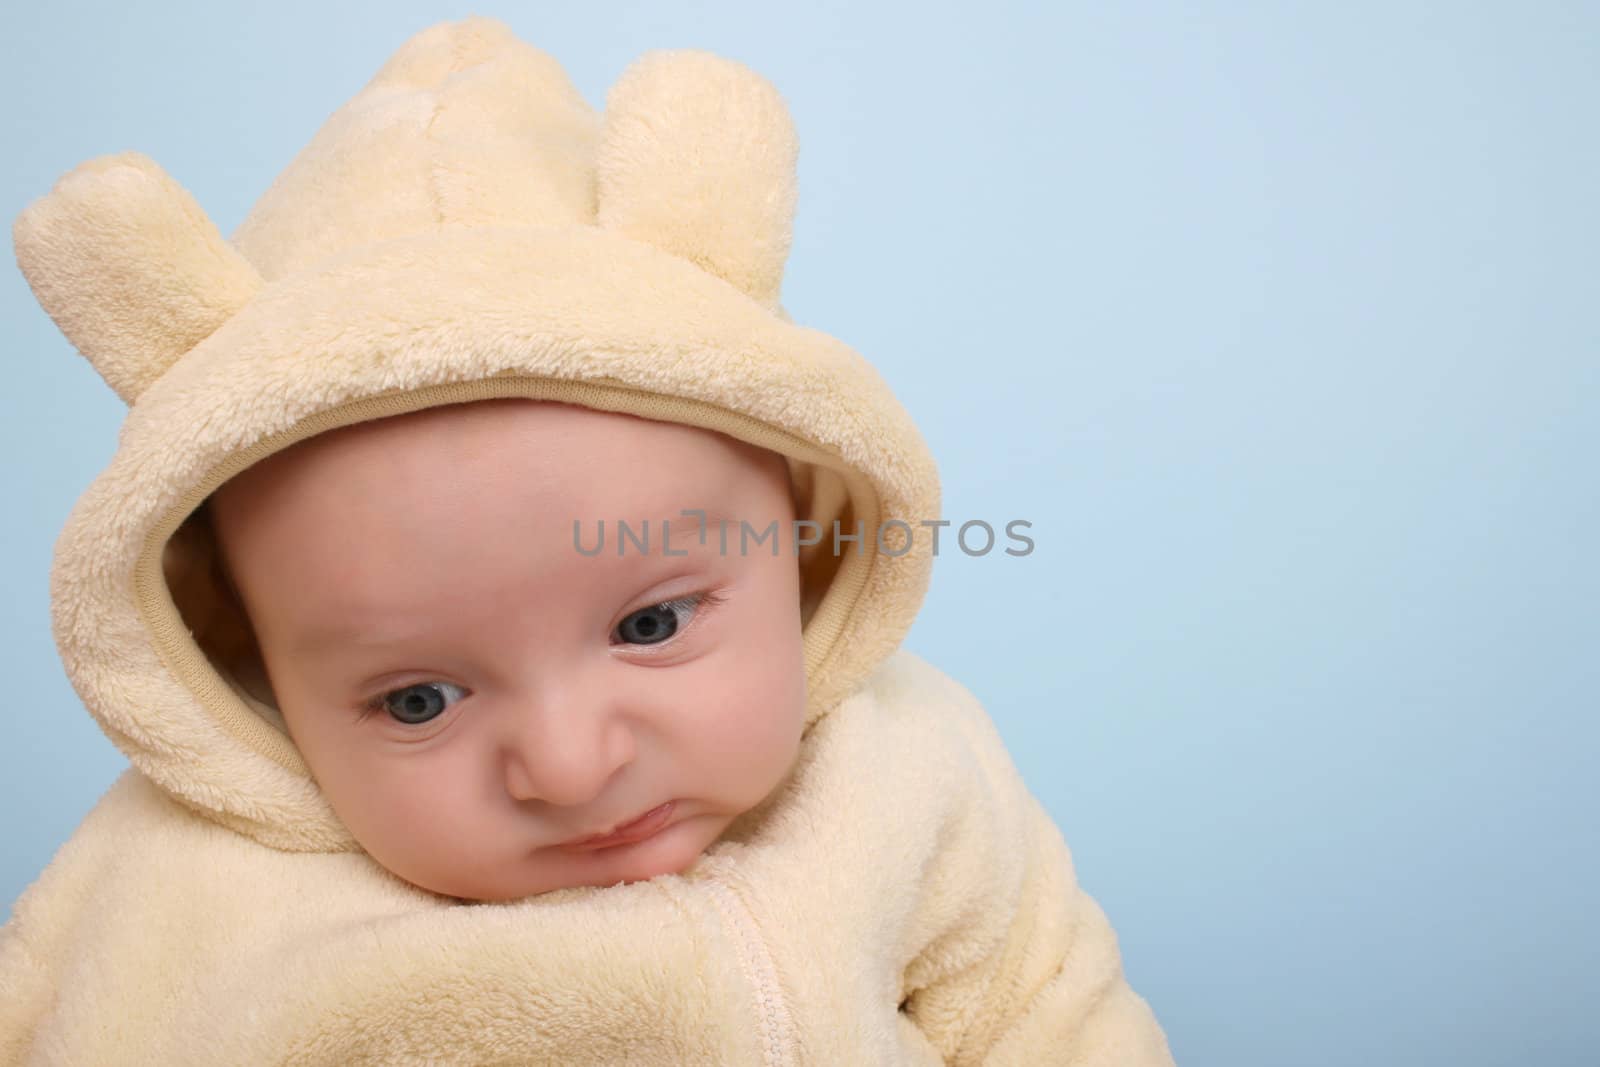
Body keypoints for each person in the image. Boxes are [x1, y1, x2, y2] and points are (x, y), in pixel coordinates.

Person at [2, 15, 1176, 1065]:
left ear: (802, 540)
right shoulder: (171, 890)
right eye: (418, 699)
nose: (567, 768)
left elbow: (1051, 1013)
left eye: (652, 622)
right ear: (241, 658)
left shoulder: (908, 774)